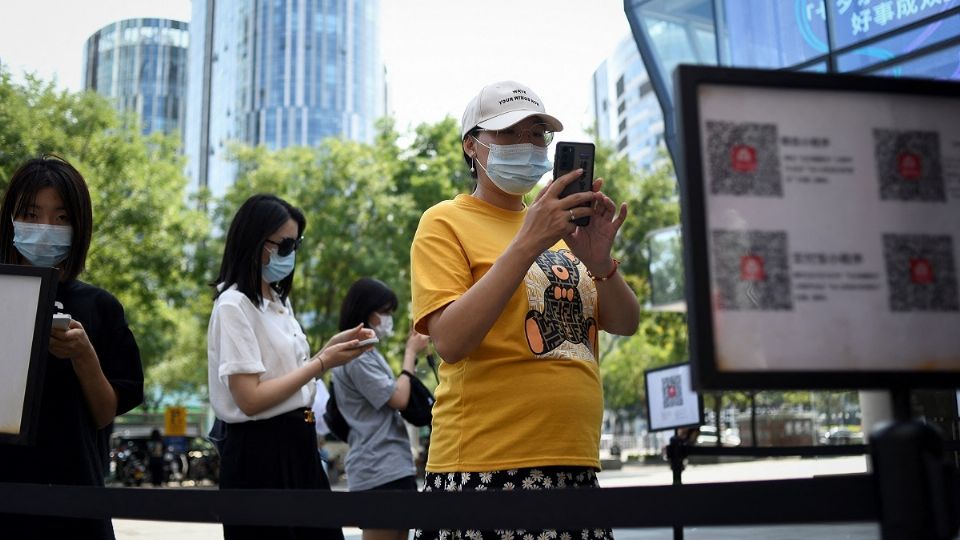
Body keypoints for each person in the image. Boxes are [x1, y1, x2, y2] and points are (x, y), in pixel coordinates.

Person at [411, 81, 640, 540]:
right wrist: (528, 241)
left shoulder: (564, 227)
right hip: (484, 470)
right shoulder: (444, 221)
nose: (528, 144)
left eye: (537, 134)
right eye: (509, 133)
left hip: (574, 468)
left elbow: (625, 322)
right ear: (471, 146)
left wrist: (600, 264)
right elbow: (451, 342)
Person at [207, 193, 373, 540]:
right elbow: (249, 398)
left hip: (300, 442)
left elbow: (290, 376)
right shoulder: (234, 304)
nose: (290, 254)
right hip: (259, 452)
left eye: (295, 244)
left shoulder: (278, 301)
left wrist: (329, 351)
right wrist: (321, 363)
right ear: (254, 242)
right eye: (284, 245)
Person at [0, 154, 144, 539]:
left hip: (75, 499)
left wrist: (84, 356)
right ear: (10, 220)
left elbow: (104, 413)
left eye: (61, 218)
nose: (45, 228)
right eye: (31, 214)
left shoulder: (101, 307)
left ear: (79, 228)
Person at [331, 277, 430, 540]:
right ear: (364, 312)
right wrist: (410, 354)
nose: (388, 319)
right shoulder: (355, 355)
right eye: (384, 312)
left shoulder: (369, 353)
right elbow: (398, 398)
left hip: (393, 465)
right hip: (377, 468)